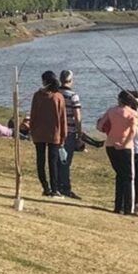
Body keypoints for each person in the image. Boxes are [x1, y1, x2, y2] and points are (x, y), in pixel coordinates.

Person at [96, 90, 138, 215]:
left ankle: (118, 206)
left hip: (110, 145)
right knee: (129, 178)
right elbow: (133, 132)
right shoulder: (132, 114)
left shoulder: (111, 111)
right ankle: (128, 208)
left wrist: (110, 130)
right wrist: (124, 143)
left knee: (119, 175)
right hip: (125, 147)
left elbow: (99, 126)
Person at [27, 71, 67, 197]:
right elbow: (62, 118)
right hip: (54, 134)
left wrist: (31, 130)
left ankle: (45, 186)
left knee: (40, 161)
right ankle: (54, 188)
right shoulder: (58, 97)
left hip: (39, 133)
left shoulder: (37, 96)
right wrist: (63, 135)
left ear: (45, 81)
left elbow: (33, 114)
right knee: (53, 162)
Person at [56, 70, 83, 199]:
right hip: (69, 132)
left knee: (57, 159)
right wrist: (80, 133)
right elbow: (77, 116)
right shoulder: (73, 96)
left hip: (56, 131)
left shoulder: (55, 93)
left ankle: (56, 184)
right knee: (66, 160)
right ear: (71, 80)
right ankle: (65, 187)